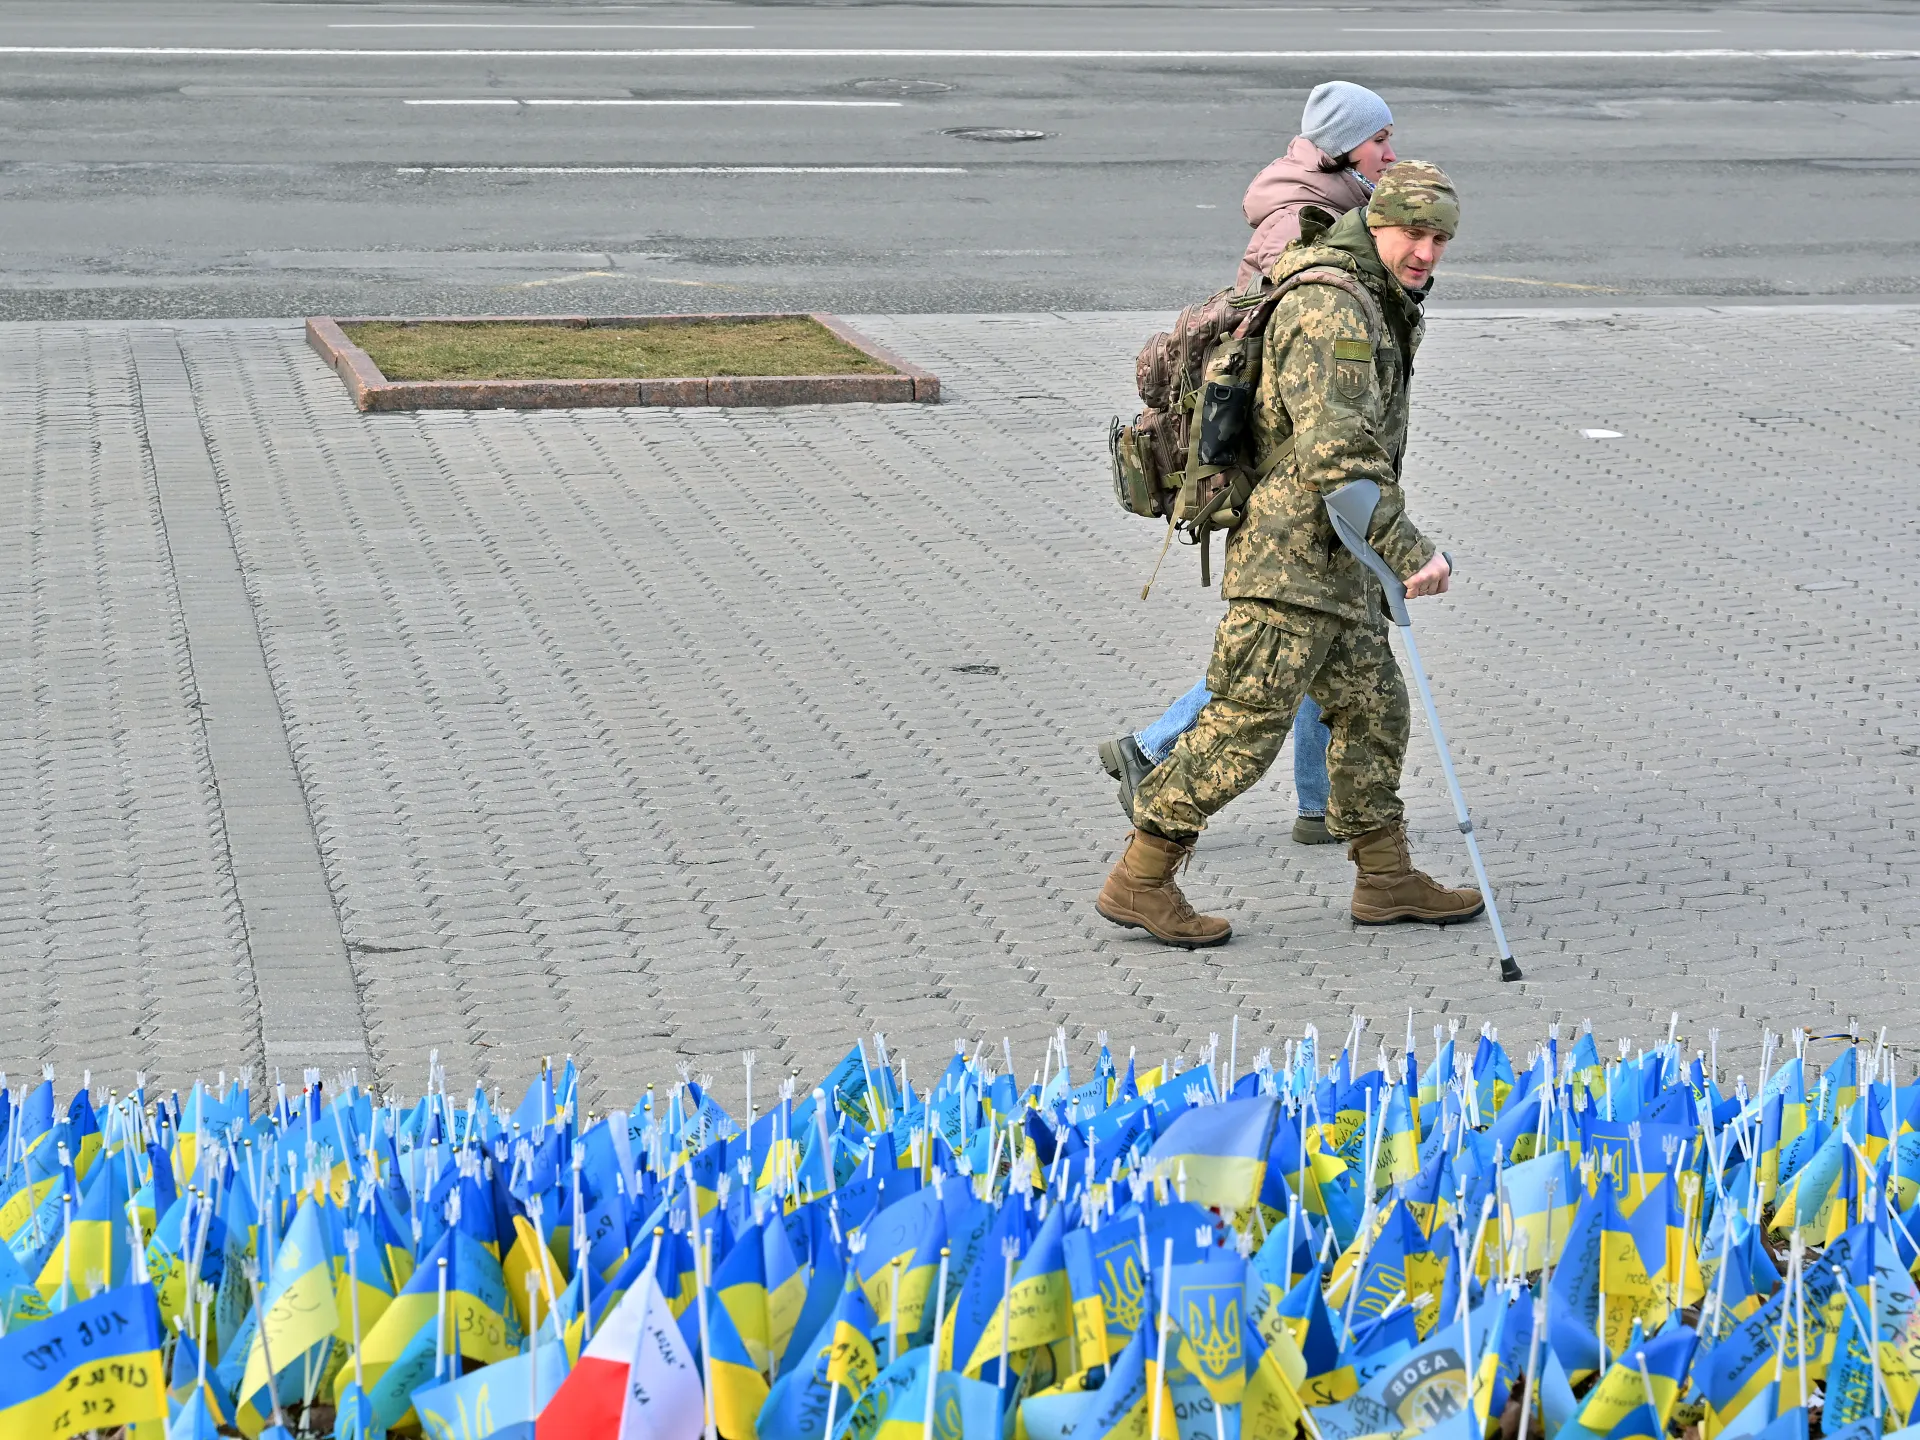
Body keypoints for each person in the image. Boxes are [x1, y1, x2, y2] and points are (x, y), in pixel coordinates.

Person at [1096, 161, 1486, 949]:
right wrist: (1409, 551)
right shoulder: (1330, 308)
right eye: (1414, 232)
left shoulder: (1372, 293)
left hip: (1335, 561)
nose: (1427, 253)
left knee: (1375, 712)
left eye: (1440, 237)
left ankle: (1384, 877)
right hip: (1293, 561)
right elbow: (1337, 449)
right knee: (1242, 726)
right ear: (1377, 223)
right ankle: (1140, 878)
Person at [1098, 81, 1399, 847]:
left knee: (1313, 633)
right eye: (1379, 142)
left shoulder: (1316, 196)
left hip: (1299, 450)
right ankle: (1155, 749)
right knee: (1280, 643)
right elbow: (1297, 348)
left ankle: (1317, 803)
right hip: (1292, 459)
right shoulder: (1309, 221)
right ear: (1341, 147)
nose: (1390, 154)